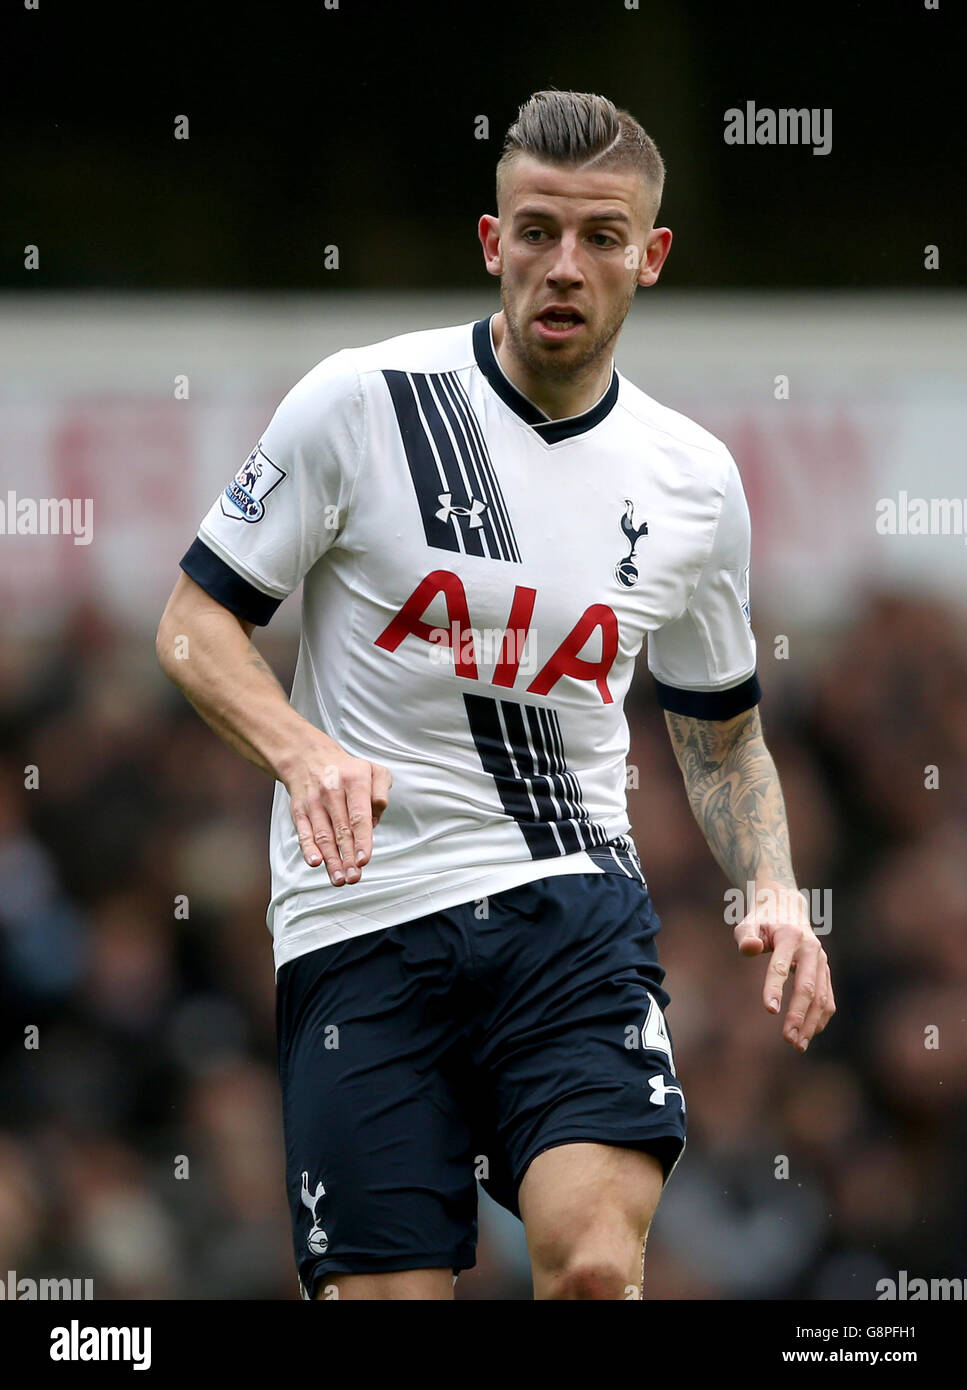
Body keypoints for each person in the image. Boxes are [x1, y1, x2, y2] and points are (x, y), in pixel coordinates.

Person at [156, 89, 835, 1302]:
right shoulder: (361, 405)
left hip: (566, 913)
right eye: (535, 231)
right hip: (361, 924)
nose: (562, 265)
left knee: (586, 1265)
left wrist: (775, 886)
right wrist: (306, 753)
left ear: (650, 257)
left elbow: (723, 736)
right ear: (492, 242)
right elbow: (196, 623)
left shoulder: (690, 481)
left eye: (598, 237)